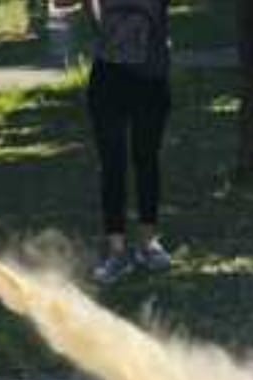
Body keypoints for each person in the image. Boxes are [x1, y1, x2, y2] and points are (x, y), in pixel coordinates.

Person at [82, 0, 173, 284]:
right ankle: (117, 252)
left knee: (147, 158)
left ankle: (148, 243)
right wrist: (101, 28)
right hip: (109, 74)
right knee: (113, 163)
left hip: (151, 74)